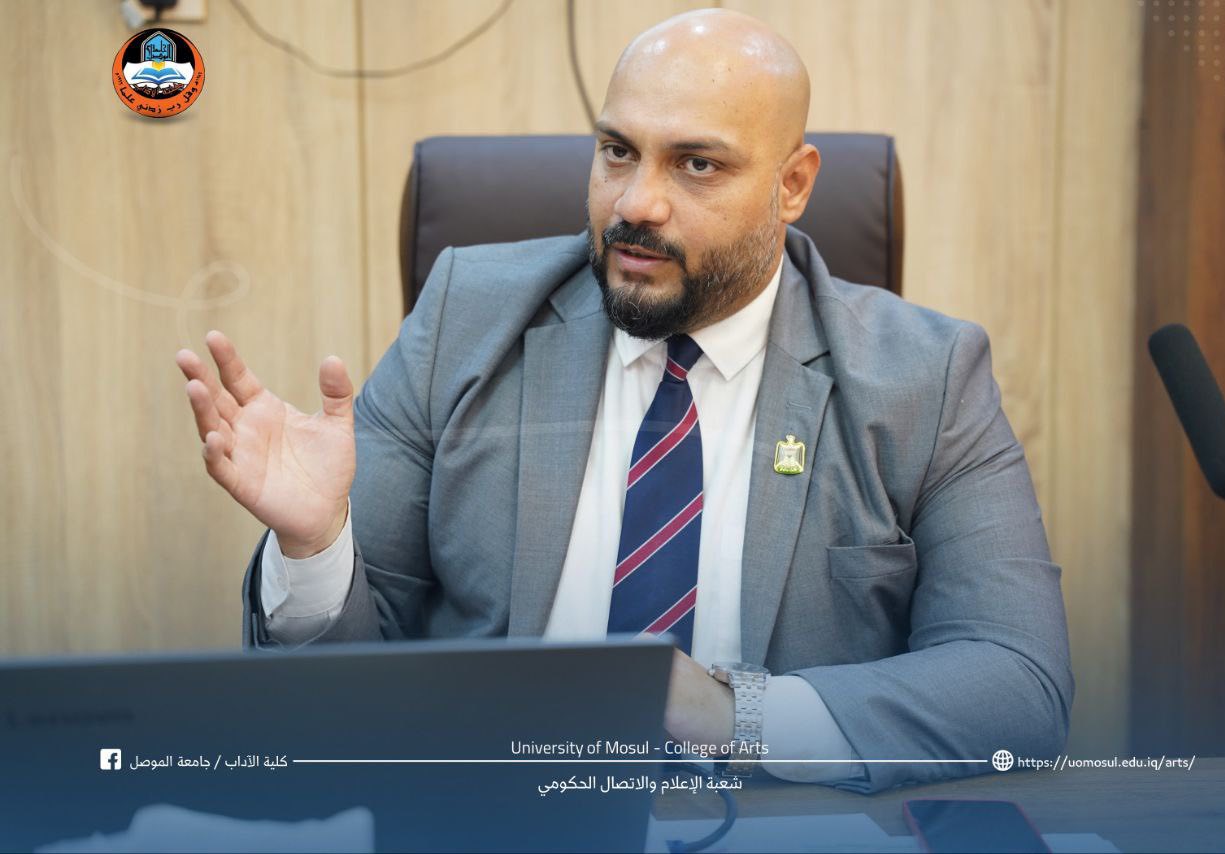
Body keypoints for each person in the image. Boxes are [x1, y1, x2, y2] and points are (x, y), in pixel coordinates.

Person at [176, 8, 1072, 793]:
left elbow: (1017, 683)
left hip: (780, 820)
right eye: (617, 152)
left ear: (793, 184)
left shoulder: (926, 376)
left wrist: (728, 714)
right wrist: (314, 548)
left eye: (697, 164)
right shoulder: (465, 319)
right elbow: (345, 691)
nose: (636, 204)